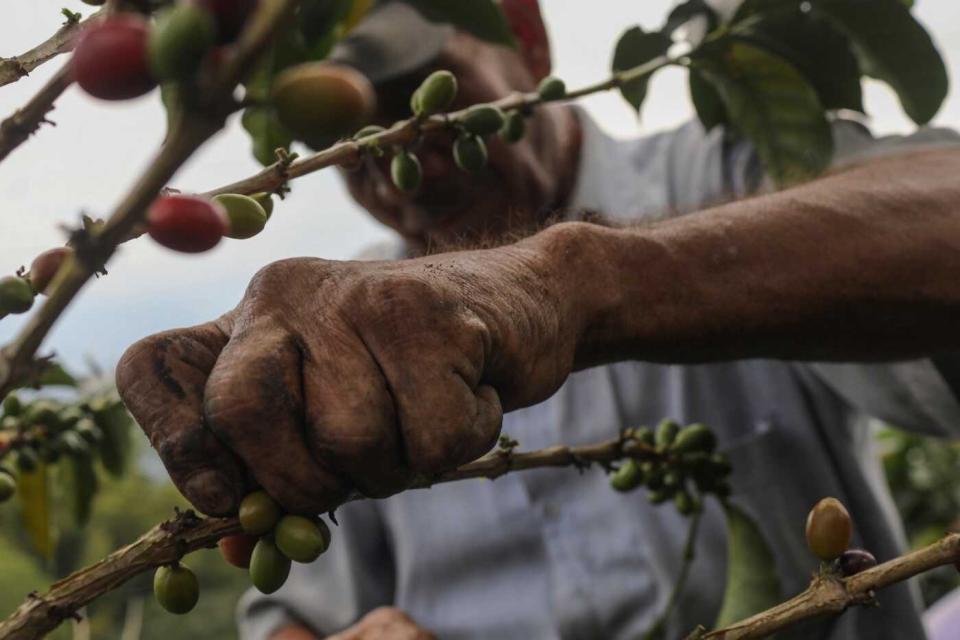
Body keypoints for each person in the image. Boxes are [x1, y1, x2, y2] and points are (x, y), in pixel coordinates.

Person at [115, 2, 960, 639]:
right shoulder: (335, 337)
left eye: (418, 101)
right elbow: (293, 613)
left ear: (526, 37)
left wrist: (575, 283)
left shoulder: (728, 174)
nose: (401, 176)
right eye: (354, 137)